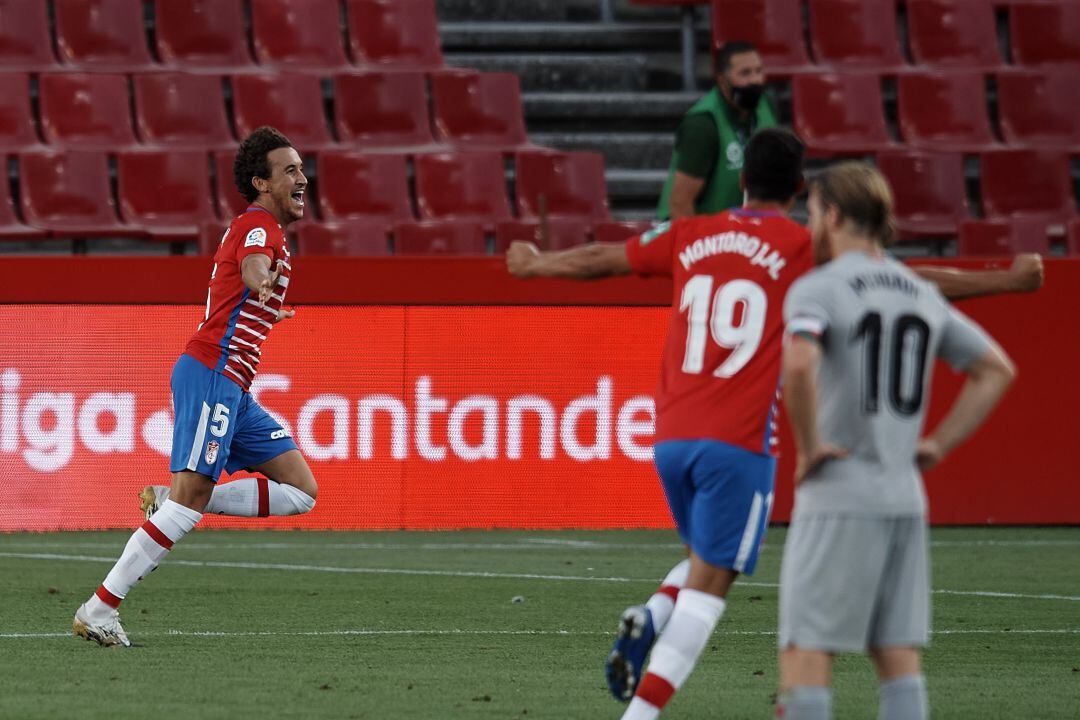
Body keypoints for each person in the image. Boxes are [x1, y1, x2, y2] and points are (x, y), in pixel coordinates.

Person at [506, 128, 1041, 720]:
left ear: (741, 181)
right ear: (797, 191)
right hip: (738, 443)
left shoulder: (689, 233)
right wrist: (1007, 279)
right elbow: (900, 286)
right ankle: (640, 713)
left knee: (706, 558)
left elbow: (600, 258)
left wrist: (534, 265)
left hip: (670, 437)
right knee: (716, 589)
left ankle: (653, 615)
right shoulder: (799, 247)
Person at [776, 163, 1016, 720]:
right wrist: (937, 446)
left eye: (812, 214)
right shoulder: (920, 290)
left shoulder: (819, 288)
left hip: (838, 494)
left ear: (832, 215)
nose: (811, 225)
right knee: (896, 653)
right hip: (903, 495)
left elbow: (798, 361)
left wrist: (810, 446)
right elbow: (995, 369)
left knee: (806, 652)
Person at [73, 126, 319, 647]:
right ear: (260, 183)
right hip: (214, 372)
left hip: (234, 384)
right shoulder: (261, 226)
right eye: (290, 171)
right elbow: (255, 263)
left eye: (302, 168)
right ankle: (99, 607)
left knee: (300, 491)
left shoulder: (266, 228)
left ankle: (176, 498)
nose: (303, 178)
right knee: (188, 504)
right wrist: (261, 280)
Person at [657, 41, 777, 221]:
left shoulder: (765, 106)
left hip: (734, 229)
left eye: (759, 71)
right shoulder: (702, 125)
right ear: (722, 80)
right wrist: (704, 247)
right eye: (745, 73)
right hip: (695, 234)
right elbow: (680, 205)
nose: (755, 80)